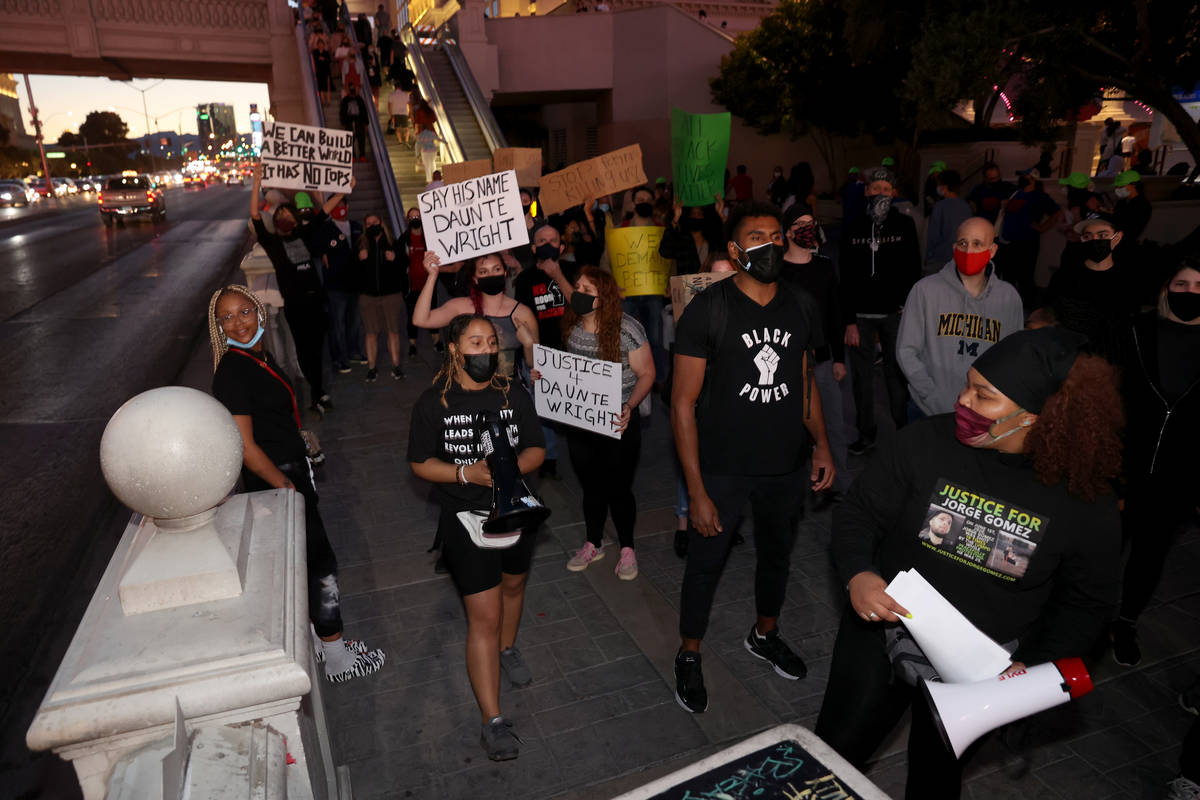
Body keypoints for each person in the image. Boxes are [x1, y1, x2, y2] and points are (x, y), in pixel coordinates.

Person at [816, 327, 1124, 799]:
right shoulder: (923, 442)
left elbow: (1088, 602)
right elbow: (858, 513)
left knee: (936, 776)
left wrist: (1035, 667)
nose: (964, 401)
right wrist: (859, 572)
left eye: (985, 397)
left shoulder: (1084, 500)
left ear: (1041, 418)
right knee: (833, 757)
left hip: (982, 669)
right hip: (883, 632)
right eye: (968, 385)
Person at [671, 201, 835, 713]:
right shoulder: (710, 308)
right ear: (737, 251)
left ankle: (764, 634)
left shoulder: (802, 305)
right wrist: (696, 491)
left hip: (785, 464)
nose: (769, 243)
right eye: (755, 237)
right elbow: (682, 403)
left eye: (775, 234)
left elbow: (806, 380)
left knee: (777, 556)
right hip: (723, 467)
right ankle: (690, 653)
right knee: (705, 564)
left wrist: (822, 444)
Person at [208, 285, 385, 683]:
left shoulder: (259, 357)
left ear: (258, 311)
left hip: (288, 469)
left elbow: (272, 416)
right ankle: (338, 659)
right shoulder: (234, 370)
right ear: (218, 326)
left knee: (304, 561)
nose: (238, 323)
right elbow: (246, 446)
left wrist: (299, 436)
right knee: (321, 564)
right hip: (277, 480)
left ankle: (323, 644)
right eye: (227, 318)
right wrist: (285, 488)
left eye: (244, 312)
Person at [407, 314, 546, 761]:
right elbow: (420, 463)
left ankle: (508, 647)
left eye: (491, 343)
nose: (485, 351)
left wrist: (507, 472)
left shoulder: (513, 393)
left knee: (514, 585)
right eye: (475, 342)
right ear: (454, 349)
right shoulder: (433, 403)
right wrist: (468, 473)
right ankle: (493, 720)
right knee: (483, 615)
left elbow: (537, 448)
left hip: (515, 512)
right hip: (464, 518)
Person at [526, 267, 655, 578]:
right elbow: (570, 373)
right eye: (578, 287)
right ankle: (593, 542)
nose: (578, 293)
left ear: (602, 300)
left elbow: (648, 373)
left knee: (620, 488)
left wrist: (628, 407)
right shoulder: (570, 327)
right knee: (591, 485)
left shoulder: (627, 330)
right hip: (582, 423)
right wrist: (543, 376)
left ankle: (627, 549)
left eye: (586, 289)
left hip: (618, 421)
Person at [1109, 259, 1200, 667]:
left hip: (1178, 478)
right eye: (1182, 283)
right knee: (1102, 547)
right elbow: (1110, 394)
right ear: (1166, 288)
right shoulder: (1137, 331)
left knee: (1149, 556)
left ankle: (1125, 622)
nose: (1190, 291)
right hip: (1123, 467)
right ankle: (1085, 617)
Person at [898, 217, 1024, 417]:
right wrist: (930, 393)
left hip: (982, 414)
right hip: (928, 409)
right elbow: (906, 350)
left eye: (977, 244)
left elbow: (1013, 357)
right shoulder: (925, 291)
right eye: (963, 243)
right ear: (954, 246)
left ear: (991, 251)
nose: (968, 251)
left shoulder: (1008, 298)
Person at [249, 162, 349, 415]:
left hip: (316, 302)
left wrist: (342, 192)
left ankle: (318, 392)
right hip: (296, 306)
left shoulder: (304, 234)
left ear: (294, 218)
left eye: (288, 215)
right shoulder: (272, 243)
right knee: (304, 351)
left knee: (317, 349)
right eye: (280, 216)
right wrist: (256, 183)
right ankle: (318, 393)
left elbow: (323, 212)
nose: (284, 218)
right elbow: (256, 217)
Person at [840, 166, 922, 454]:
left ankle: (902, 432)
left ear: (894, 193)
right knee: (862, 380)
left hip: (895, 315)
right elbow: (845, 277)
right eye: (875, 189)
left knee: (897, 376)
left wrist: (909, 309)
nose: (880, 194)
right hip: (860, 317)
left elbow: (914, 269)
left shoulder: (904, 226)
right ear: (866, 192)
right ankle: (866, 434)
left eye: (886, 190)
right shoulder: (852, 227)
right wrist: (848, 320)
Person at [780, 203, 853, 505]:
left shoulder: (823, 266)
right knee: (791, 429)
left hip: (822, 361)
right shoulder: (777, 270)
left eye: (812, 222)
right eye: (800, 224)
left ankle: (840, 487)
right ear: (787, 232)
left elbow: (834, 314)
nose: (808, 228)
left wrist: (838, 358)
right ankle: (794, 487)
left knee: (833, 426)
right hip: (787, 363)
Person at [414, 251, 538, 378]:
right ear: (475, 279)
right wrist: (432, 277)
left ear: (505, 273)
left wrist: (529, 345)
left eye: (496, 269)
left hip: (509, 391)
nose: (491, 275)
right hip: (469, 392)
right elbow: (421, 320)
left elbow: (535, 365)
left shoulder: (522, 313)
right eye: (484, 272)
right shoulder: (460, 307)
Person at [513, 223, 572, 476]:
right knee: (543, 410)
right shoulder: (524, 279)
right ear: (533, 247)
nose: (548, 243)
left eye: (553, 238)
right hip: (542, 353)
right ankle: (549, 458)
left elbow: (583, 306)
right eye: (542, 239)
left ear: (562, 246)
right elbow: (522, 319)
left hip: (573, 353)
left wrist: (558, 275)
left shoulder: (573, 271)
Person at [1047, 215, 1139, 361]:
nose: (1095, 241)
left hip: (1111, 362)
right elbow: (1051, 317)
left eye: (1102, 235)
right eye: (1087, 236)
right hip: (1068, 359)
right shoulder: (1064, 278)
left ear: (1117, 238)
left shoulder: (1128, 281)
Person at [313, 196, 364, 374]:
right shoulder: (324, 229)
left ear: (347, 207)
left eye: (342, 204)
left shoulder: (357, 227)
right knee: (337, 325)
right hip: (336, 286)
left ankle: (354, 352)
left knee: (355, 322)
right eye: (336, 205)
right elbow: (314, 247)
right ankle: (339, 359)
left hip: (356, 284)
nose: (339, 208)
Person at [356, 214, 409, 381]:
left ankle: (396, 366)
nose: (372, 225)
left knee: (393, 331)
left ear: (381, 222)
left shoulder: (393, 242)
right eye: (368, 223)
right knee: (370, 333)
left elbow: (405, 264)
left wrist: (396, 259)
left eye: (375, 222)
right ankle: (372, 368)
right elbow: (351, 270)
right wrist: (359, 260)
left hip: (391, 295)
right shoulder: (361, 244)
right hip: (368, 296)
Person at [996, 173, 1060, 308]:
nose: (1023, 178)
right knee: (1008, 276)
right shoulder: (1016, 194)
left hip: (1026, 242)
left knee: (1025, 276)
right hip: (1007, 242)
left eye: (1027, 176)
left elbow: (1057, 213)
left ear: (1033, 180)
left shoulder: (1039, 196)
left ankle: (1027, 308)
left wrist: (1042, 227)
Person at [399, 207, 441, 356]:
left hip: (428, 284)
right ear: (407, 220)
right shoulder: (403, 240)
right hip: (411, 286)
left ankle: (437, 341)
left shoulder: (430, 238)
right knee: (411, 315)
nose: (415, 219)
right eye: (412, 217)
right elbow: (398, 263)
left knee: (432, 311)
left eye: (418, 216)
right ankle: (412, 344)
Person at [660, 197, 725, 277]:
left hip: (711, 287)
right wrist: (675, 218)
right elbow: (665, 251)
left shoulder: (713, 241)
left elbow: (727, 245)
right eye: (693, 214)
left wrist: (721, 215)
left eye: (699, 214)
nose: (696, 216)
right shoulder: (681, 240)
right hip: (687, 288)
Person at [923, 169, 972, 273]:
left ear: (944, 187)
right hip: (962, 259)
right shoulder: (966, 207)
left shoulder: (940, 207)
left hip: (941, 261)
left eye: (939, 185)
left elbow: (933, 237)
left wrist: (928, 260)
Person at [1111, 169, 1152, 247]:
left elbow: (1130, 227)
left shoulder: (1142, 205)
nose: (1118, 189)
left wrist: (1112, 214)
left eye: (1121, 186)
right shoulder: (1123, 201)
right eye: (1117, 186)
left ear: (1133, 185)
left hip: (1126, 244)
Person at [339, 81, 369, 162]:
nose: (352, 90)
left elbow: (363, 111)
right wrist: (343, 122)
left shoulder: (358, 99)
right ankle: (353, 157)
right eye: (351, 88)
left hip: (358, 122)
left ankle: (361, 155)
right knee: (351, 140)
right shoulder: (346, 100)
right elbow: (342, 112)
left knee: (361, 139)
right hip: (350, 122)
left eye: (353, 88)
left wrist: (366, 123)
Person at [311, 36, 333, 104]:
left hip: (326, 70)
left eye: (322, 43)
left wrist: (324, 59)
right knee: (321, 86)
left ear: (323, 44)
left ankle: (328, 100)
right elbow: (314, 60)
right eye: (319, 44)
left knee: (327, 85)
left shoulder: (326, 52)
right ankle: (323, 100)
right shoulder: (315, 52)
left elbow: (329, 60)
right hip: (319, 71)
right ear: (317, 45)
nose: (321, 45)